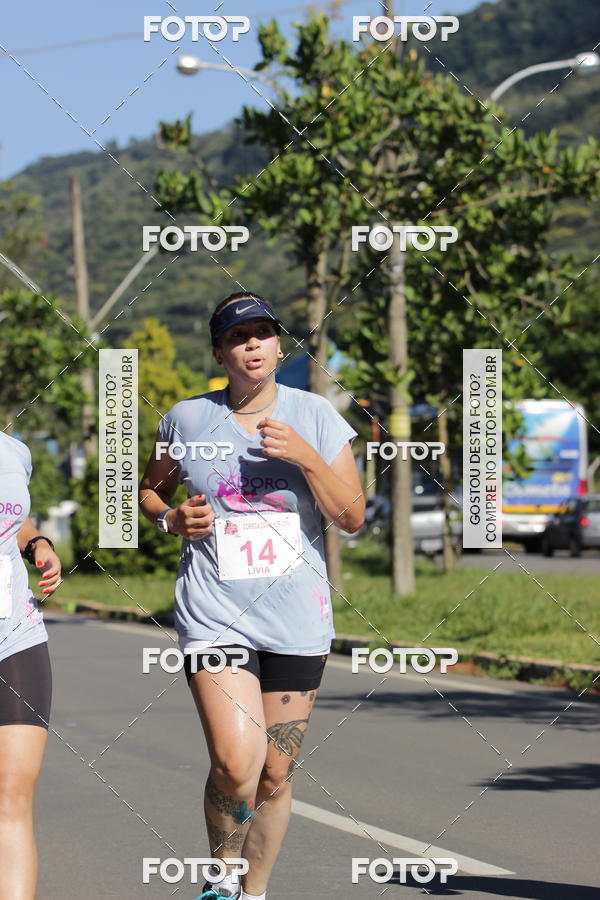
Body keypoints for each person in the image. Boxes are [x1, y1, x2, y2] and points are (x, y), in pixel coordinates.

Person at [139, 291, 365, 900]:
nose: (254, 345)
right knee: (237, 764)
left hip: (297, 618)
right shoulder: (186, 419)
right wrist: (169, 520)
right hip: (215, 614)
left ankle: (253, 892)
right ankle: (221, 880)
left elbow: (352, 516)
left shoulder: (315, 414)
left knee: (273, 771)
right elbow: (146, 492)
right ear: (220, 351)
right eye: (239, 337)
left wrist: (306, 458)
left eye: (264, 334)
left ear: (278, 344)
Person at [0, 430, 61, 900]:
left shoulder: (13, 451)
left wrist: (36, 540)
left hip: (14, 631)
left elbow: (12, 518)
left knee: (12, 795)